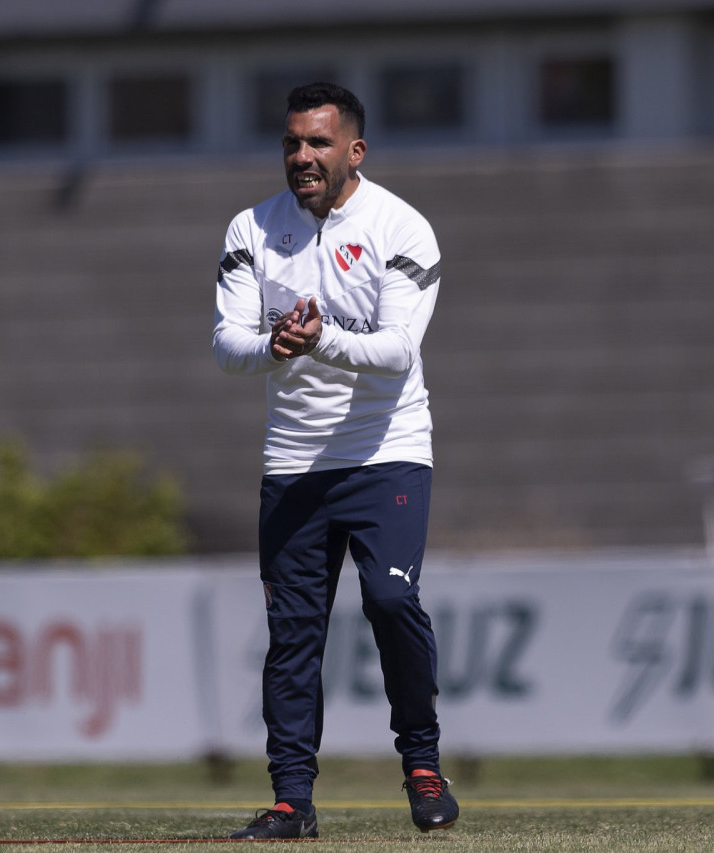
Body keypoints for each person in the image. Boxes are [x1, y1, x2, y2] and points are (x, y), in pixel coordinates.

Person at [212, 82, 458, 840]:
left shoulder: (402, 227)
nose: (302, 157)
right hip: (292, 463)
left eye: (318, 143)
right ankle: (293, 800)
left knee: (389, 601)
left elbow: (395, 352)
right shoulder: (252, 227)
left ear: (355, 150)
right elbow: (227, 344)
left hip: (385, 454)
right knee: (293, 636)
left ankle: (421, 761)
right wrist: (269, 345)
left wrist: (319, 340)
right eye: (291, 142)